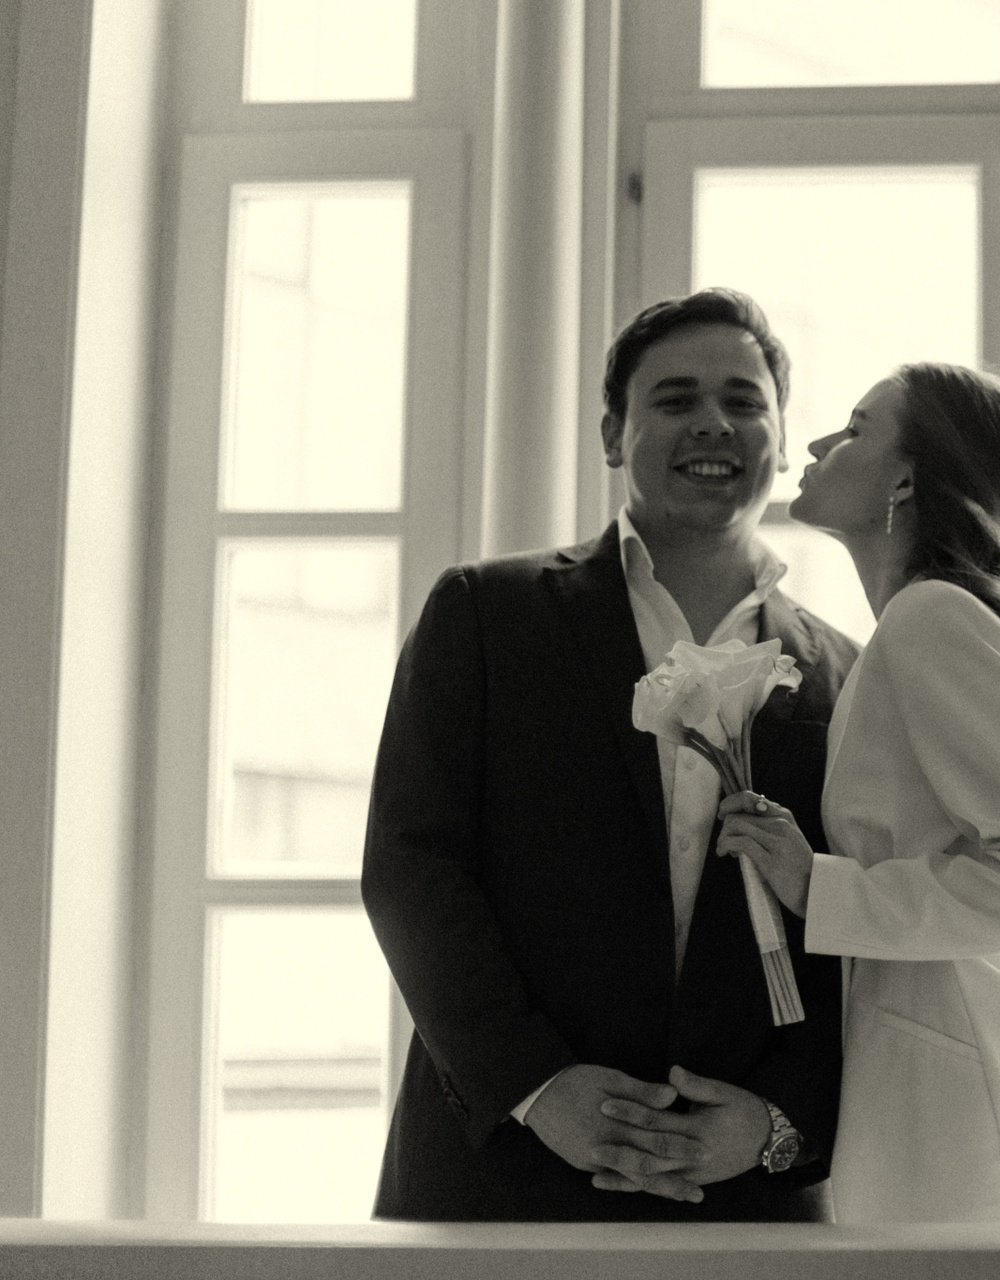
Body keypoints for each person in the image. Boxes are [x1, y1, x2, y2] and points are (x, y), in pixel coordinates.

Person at [360, 288, 859, 1222]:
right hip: (497, 1179)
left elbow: (862, 938)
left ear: (783, 439)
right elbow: (411, 869)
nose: (713, 422)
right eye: (675, 399)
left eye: (743, 401)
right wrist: (538, 1087)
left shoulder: (849, 674)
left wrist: (776, 1125)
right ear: (611, 436)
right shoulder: (483, 615)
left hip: (747, 1200)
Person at [689, 362, 1000, 1222]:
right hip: (946, 1084)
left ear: (906, 479)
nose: (817, 444)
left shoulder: (932, 618)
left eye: (855, 429)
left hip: (974, 1103)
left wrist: (820, 887)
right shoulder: (918, 624)